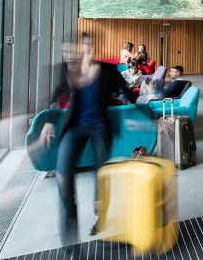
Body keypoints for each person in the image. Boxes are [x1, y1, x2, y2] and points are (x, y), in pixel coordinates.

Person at [39, 42, 134, 246]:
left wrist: (133, 112)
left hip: (99, 127)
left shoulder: (106, 70)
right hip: (74, 129)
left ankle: (101, 216)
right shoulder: (66, 71)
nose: (73, 57)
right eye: (68, 54)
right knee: (64, 182)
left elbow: (125, 91)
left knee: (102, 175)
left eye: (81, 50)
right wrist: (48, 120)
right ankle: (71, 244)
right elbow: (55, 97)